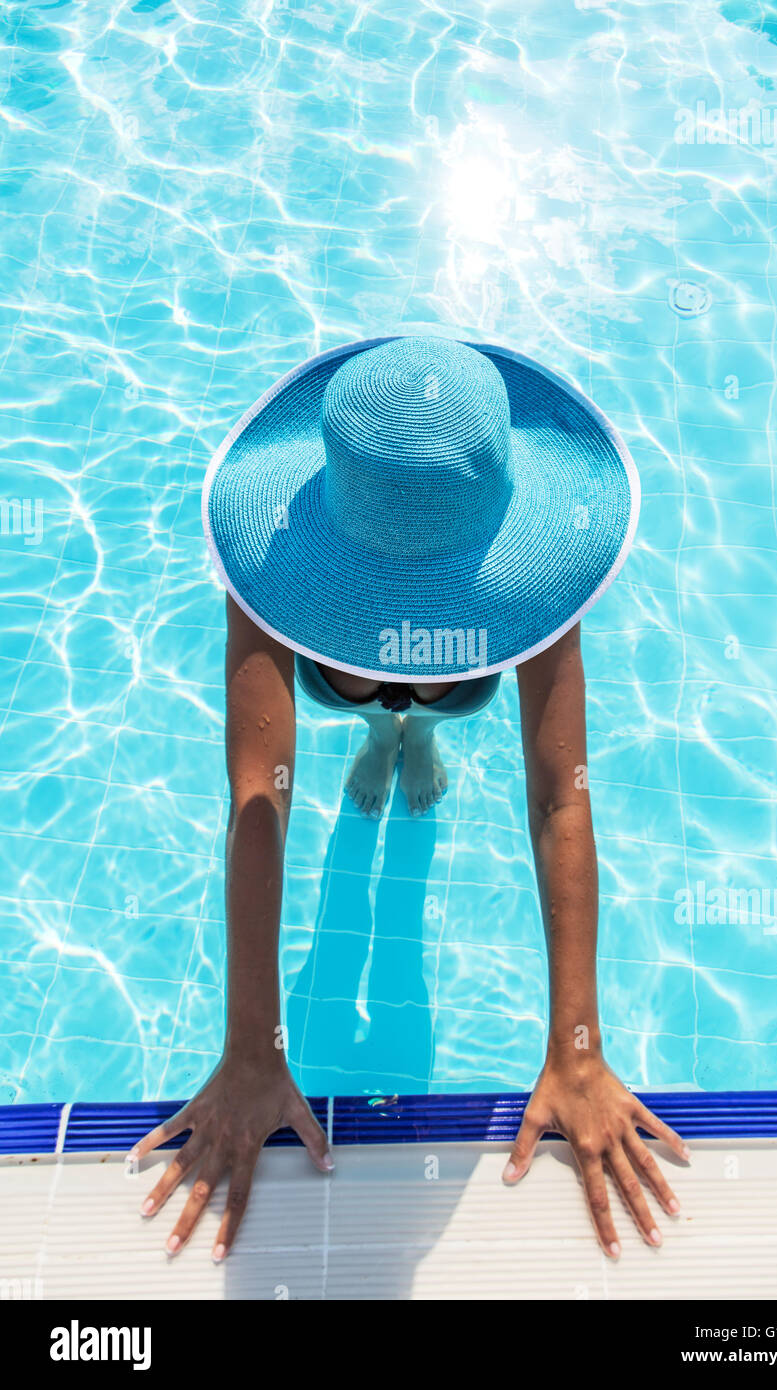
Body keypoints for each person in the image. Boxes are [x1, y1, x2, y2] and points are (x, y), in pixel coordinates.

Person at [130, 334, 689, 1265]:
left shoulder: (536, 585)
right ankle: (386, 731)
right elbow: (258, 800)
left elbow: (560, 797)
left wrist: (577, 1048)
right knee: (371, 712)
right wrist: (249, 1051)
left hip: (442, 682)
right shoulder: (272, 574)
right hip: (344, 669)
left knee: (425, 713)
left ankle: (413, 734)